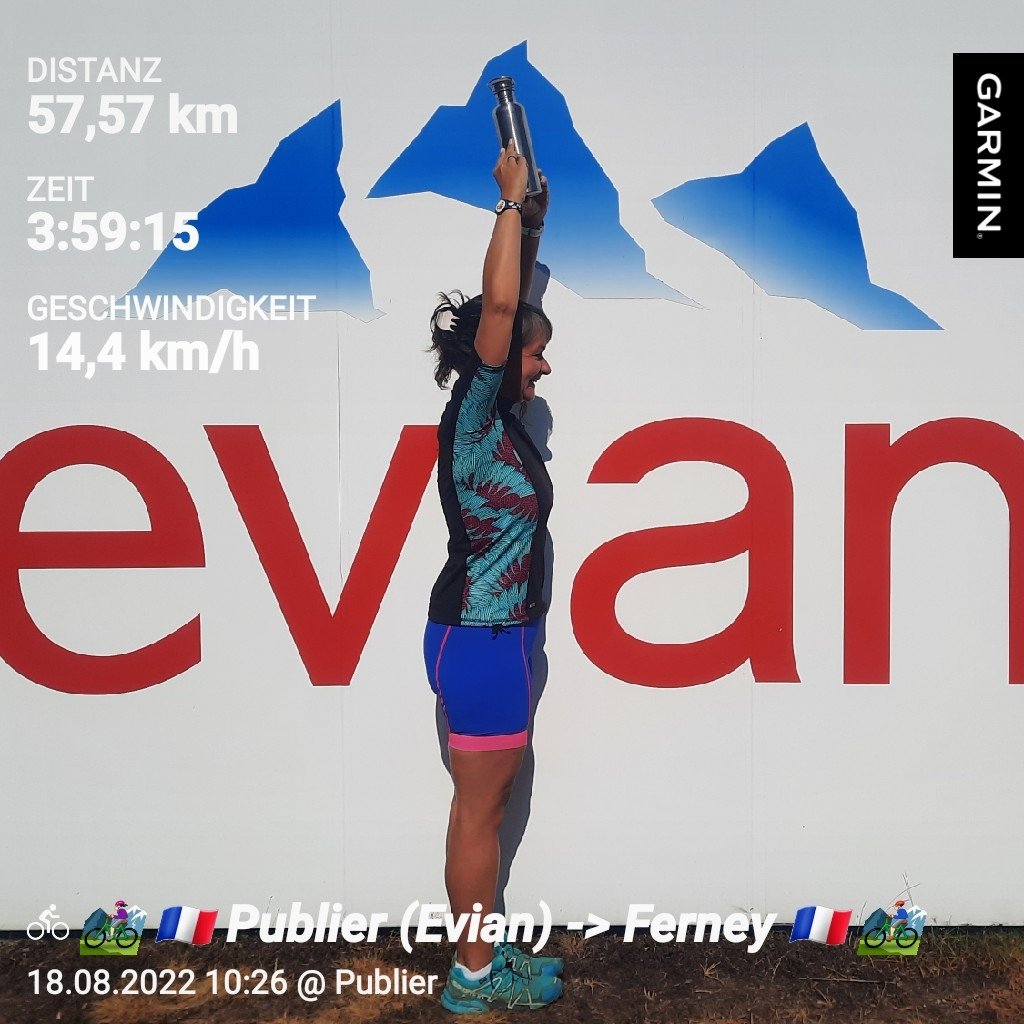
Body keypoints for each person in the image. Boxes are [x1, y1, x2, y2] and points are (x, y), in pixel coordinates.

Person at [423, 140, 562, 1013]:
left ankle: (480, 954)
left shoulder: (499, 420)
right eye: (535, 353)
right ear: (502, 354)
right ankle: (471, 978)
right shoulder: (475, 414)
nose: (544, 365)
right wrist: (508, 204)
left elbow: (514, 304)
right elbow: (503, 308)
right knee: (481, 811)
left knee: (488, 804)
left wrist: (532, 223)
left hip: (492, 639)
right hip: (480, 639)